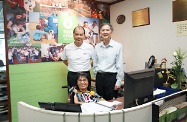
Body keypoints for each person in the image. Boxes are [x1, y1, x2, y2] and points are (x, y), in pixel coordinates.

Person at [93, 23, 124, 100]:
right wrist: (96, 76)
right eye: (103, 30)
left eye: (107, 30)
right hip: (99, 77)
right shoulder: (97, 47)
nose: (105, 32)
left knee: (111, 101)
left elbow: (119, 64)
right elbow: (95, 63)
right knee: (100, 100)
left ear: (111, 32)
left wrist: (119, 81)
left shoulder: (117, 46)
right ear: (100, 32)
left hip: (111, 78)